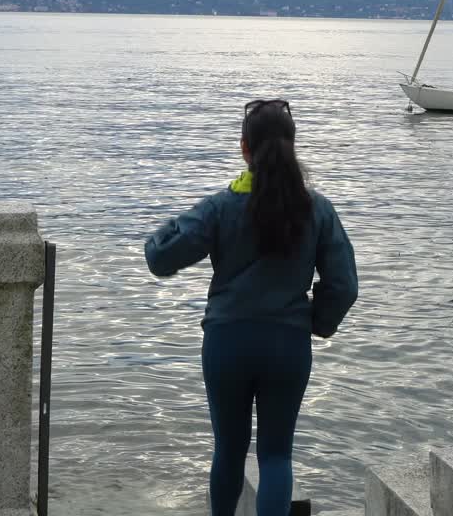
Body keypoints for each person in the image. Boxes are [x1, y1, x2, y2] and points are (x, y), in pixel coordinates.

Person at [144, 99, 358, 516]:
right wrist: (319, 321)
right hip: (287, 346)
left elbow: (160, 257)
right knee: (276, 456)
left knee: (228, 451)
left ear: (244, 148)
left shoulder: (220, 207)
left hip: (227, 343)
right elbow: (344, 285)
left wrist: (166, 226)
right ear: (292, 146)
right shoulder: (317, 209)